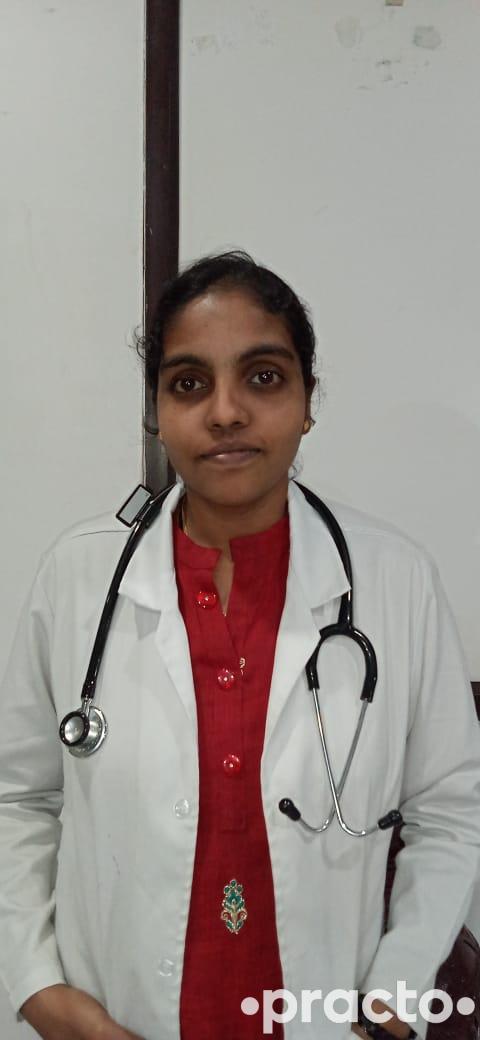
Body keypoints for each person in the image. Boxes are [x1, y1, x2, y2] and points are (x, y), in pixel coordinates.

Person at [0, 250, 479, 1040]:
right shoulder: (77, 576)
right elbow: (18, 799)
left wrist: (390, 1008)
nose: (225, 412)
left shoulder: (396, 581)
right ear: (157, 412)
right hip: (114, 1019)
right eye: (189, 383)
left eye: (263, 377)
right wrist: (40, 988)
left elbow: (451, 813)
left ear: (308, 400)